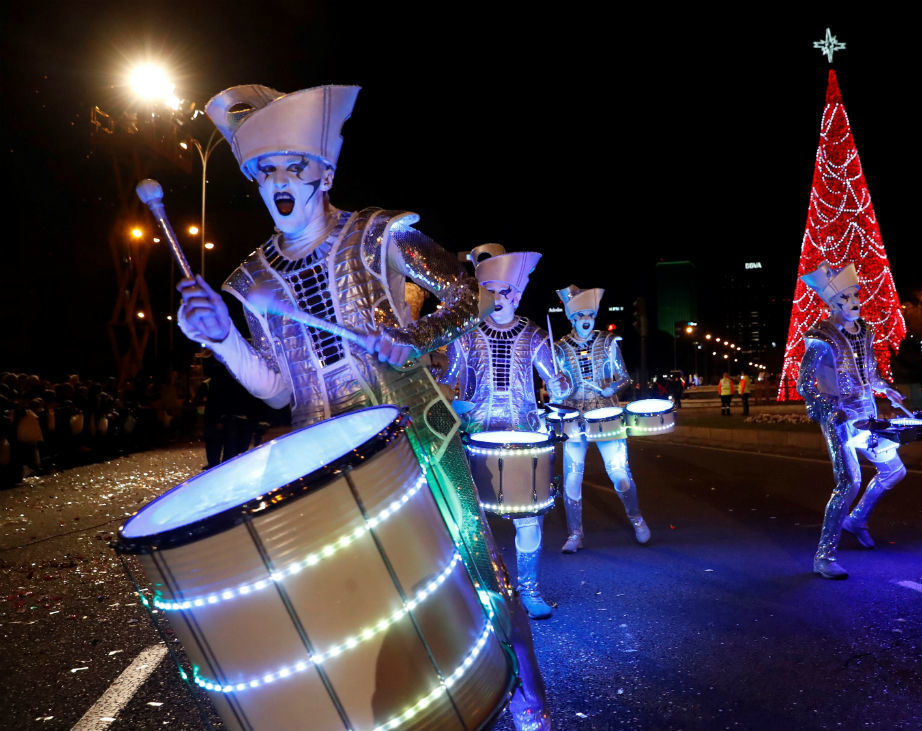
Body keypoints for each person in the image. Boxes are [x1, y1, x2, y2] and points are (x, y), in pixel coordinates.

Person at [175, 84, 550, 729]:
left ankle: (530, 703)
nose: (280, 182)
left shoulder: (378, 234)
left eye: (295, 167)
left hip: (416, 441)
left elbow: (471, 293)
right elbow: (278, 389)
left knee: (480, 573)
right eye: (266, 171)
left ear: (324, 173)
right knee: (369, 607)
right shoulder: (251, 278)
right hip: (325, 461)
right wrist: (223, 339)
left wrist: (409, 338)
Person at [441, 244, 569, 620]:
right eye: (491, 290)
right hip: (477, 435)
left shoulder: (533, 335)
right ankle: (482, 593)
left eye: (506, 290)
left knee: (528, 517)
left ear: (519, 292)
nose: (499, 298)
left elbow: (555, 382)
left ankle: (529, 590)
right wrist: (450, 399)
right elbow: (447, 381)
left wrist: (560, 383)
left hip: (523, 435)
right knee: (470, 522)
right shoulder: (463, 335)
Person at [796, 261, 908, 580]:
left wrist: (888, 390)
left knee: (894, 470)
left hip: (867, 415)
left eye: (855, 294)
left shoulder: (866, 331)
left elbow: (869, 374)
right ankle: (824, 556)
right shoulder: (821, 337)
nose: (854, 302)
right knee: (850, 481)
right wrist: (828, 409)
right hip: (840, 418)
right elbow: (805, 385)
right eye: (845, 298)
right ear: (832, 303)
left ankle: (856, 519)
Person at [550, 284, 651, 554]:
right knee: (572, 477)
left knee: (619, 473)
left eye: (589, 315)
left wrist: (613, 388)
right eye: (580, 315)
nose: (585, 320)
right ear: (572, 318)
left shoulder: (607, 342)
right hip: (573, 417)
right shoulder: (558, 348)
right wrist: (556, 388)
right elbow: (555, 386)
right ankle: (575, 534)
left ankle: (637, 519)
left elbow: (625, 377)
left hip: (606, 413)